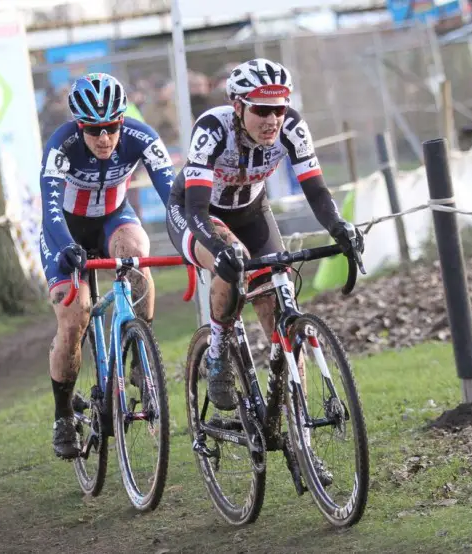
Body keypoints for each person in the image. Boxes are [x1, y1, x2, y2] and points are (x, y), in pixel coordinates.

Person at [165, 59, 363, 480]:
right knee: (230, 259)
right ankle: (217, 353)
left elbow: (316, 189)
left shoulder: (291, 126)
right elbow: (197, 207)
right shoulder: (212, 129)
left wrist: (339, 228)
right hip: (197, 213)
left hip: (252, 212)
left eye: (279, 109)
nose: (272, 119)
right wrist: (219, 248)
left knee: (280, 299)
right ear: (238, 107)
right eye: (261, 110)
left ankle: (301, 439)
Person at [40, 72, 174, 459]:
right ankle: (63, 415)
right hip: (66, 228)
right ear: (80, 126)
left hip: (115, 217)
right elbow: (50, 209)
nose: (104, 138)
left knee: (136, 255)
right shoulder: (60, 145)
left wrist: (193, 235)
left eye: (111, 127)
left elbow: (174, 196)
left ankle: (137, 351)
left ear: (121, 120)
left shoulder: (141, 136)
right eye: (94, 130)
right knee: (75, 314)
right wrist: (66, 245)